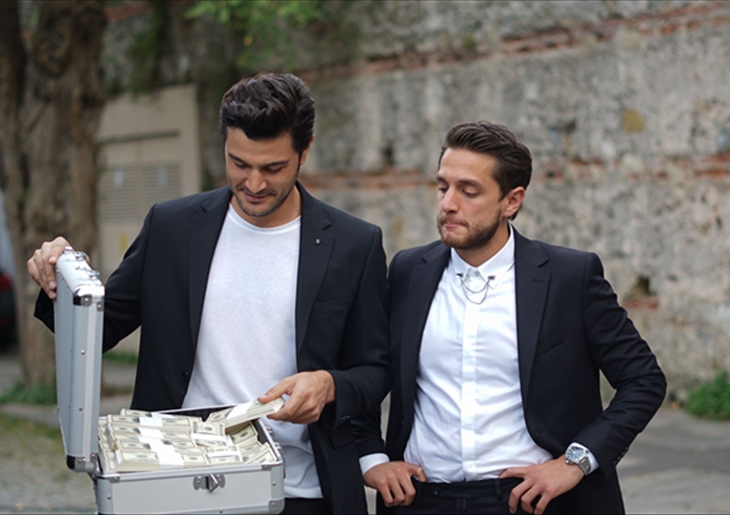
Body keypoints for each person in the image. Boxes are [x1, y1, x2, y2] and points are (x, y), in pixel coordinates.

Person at [28, 72, 391, 515]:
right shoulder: (171, 227)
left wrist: (329, 384)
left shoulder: (355, 244)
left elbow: (375, 369)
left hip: (302, 492)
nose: (253, 183)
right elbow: (99, 330)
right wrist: (59, 281)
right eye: (239, 163)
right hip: (176, 485)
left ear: (305, 150)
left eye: (272, 168)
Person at [361, 121, 666, 514]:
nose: (448, 204)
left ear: (511, 201)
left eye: (469, 191)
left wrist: (574, 462)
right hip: (421, 499)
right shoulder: (408, 270)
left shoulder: (569, 277)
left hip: (530, 501)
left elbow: (643, 380)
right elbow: (366, 369)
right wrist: (373, 458)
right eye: (442, 187)